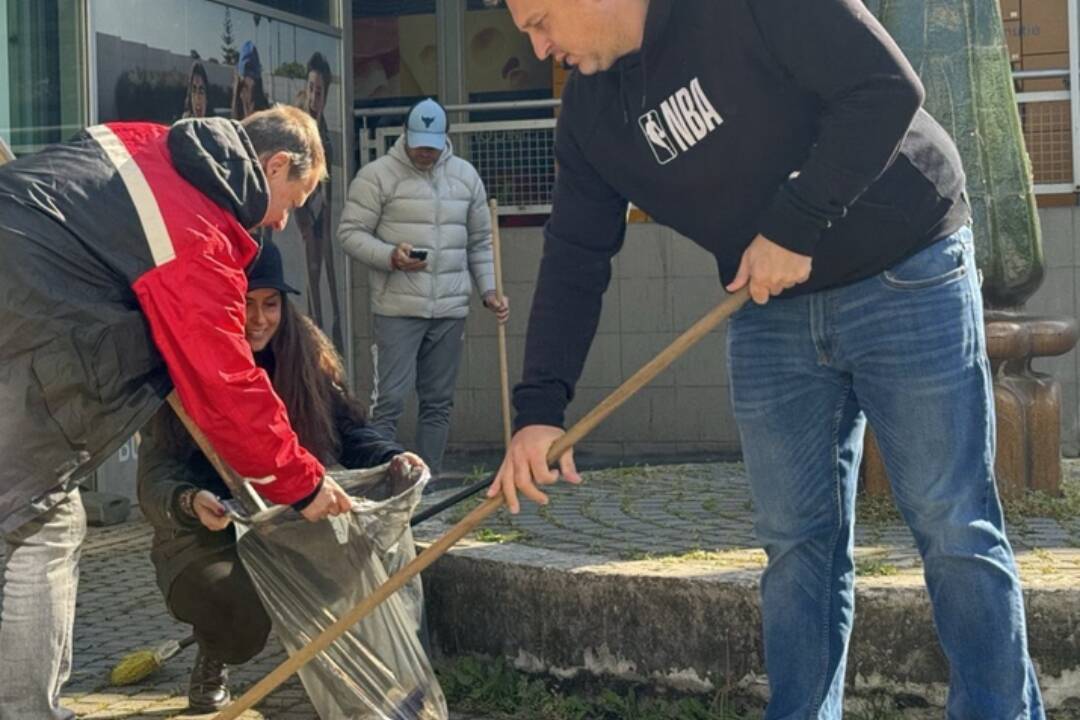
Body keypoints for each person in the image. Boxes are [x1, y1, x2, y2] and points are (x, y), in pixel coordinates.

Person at [490, 1, 1045, 718]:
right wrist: (538, 412)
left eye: (540, 21)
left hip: (906, 265)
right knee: (795, 546)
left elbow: (885, 87)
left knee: (952, 523)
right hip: (768, 309)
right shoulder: (592, 119)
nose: (539, 49)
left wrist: (796, 221)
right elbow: (573, 256)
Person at [0, 105, 353, 720]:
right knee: (41, 526)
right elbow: (223, 380)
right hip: (24, 345)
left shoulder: (141, 143)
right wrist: (300, 482)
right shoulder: (195, 230)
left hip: (23, 320)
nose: (283, 220)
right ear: (273, 166)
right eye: (292, 200)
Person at [137, 238, 425, 712]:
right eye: (243, 304)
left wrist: (392, 457)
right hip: (211, 534)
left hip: (294, 520)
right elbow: (155, 479)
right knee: (233, 605)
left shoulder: (303, 354)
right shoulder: (186, 363)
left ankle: (371, 677)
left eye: (270, 304)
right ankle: (216, 651)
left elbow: (350, 429)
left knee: (361, 560)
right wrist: (189, 502)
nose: (258, 319)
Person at [339, 98, 510, 476]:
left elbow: (481, 243)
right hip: (397, 309)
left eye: (432, 146)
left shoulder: (466, 177)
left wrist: (489, 290)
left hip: (450, 309)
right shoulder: (376, 176)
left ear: (444, 139)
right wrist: (390, 256)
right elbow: (349, 233)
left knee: (438, 402)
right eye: (418, 144)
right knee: (390, 402)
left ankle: (427, 483)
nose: (425, 153)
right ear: (405, 135)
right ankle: (381, 480)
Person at [294, 51, 344, 349]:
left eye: (319, 91)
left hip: (322, 211)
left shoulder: (322, 127)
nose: (314, 96)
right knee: (311, 277)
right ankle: (314, 335)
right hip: (304, 212)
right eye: (311, 88)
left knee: (327, 275)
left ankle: (327, 333)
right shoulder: (302, 126)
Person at [232, 40, 270, 121]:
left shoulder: (268, 123)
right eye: (245, 87)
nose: (248, 96)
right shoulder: (230, 129)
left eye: (254, 89)